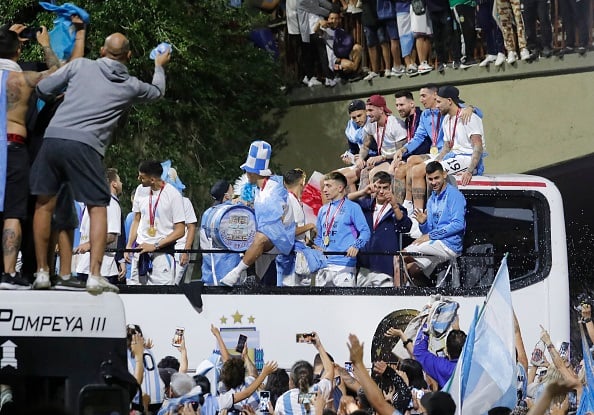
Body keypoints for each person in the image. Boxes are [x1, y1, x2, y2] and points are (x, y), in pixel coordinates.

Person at [30, 32, 170, 294]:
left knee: (44, 204)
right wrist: (158, 66)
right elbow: (158, 92)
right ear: (128, 56)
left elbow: (43, 89)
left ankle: (41, 272)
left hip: (54, 138)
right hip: (87, 146)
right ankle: (95, 275)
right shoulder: (131, 85)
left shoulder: (81, 65)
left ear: (102, 51)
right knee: (97, 207)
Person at [0, 25, 61, 290]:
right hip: (13, 147)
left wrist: (5, 32)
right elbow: (58, 73)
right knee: (13, 212)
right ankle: (9, 272)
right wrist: (46, 44)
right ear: (19, 50)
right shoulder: (22, 79)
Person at [220, 140, 296, 286]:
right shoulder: (259, 190)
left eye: (248, 170)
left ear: (255, 172)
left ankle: (235, 273)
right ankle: (247, 276)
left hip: (281, 236)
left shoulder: (274, 189)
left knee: (258, 237)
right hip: (268, 234)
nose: (246, 173)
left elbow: (273, 220)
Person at [401, 161, 466, 287]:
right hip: (437, 243)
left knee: (401, 256)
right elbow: (428, 231)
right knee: (412, 269)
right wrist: (423, 223)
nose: (433, 182)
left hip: (450, 244)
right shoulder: (431, 200)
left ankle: (400, 293)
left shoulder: (454, 195)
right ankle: (428, 292)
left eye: (437, 178)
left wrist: (431, 236)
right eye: (430, 179)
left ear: (444, 175)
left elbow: (458, 224)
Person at [125, 160, 186, 285]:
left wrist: (155, 245)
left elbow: (180, 230)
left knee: (161, 297)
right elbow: (137, 219)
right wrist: (129, 246)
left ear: (152, 180)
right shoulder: (140, 190)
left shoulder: (173, 195)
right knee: (135, 296)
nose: (138, 179)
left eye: (142, 177)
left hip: (162, 253)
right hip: (140, 251)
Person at [348, 171, 411, 287]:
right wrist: (362, 192)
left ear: (390, 187)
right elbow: (344, 201)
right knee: (362, 303)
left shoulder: (397, 209)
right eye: (378, 187)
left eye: (385, 188)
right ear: (372, 186)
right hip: (364, 267)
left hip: (385, 266)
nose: (381, 191)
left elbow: (406, 226)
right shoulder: (365, 205)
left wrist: (395, 206)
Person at [313, 171, 370, 287]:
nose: (324, 190)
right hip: (324, 266)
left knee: (345, 304)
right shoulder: (323, 210)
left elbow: (365, 232)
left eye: (328, 186)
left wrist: (356, 246)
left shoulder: (353, 207)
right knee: (321, 304)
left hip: (344, 266)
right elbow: (319, 236)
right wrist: (316, 249)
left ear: (340, 188)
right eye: (324, 186)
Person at [73, 168, 123, 287]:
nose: (122, 184)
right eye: (120, 180)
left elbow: (111, 235)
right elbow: (110, 236)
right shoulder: (108, 203)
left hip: (101, 268)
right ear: (114, 183)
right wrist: (88, 245)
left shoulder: (105, 203)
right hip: (98, 270)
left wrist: (88, 245)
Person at [434, 85, 485, 186]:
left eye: (439, 102)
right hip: (454, 157)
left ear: (449, 100)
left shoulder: (468, 117)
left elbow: (478, 146)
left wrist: (469, 171)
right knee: (419, 169)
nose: (436, 106)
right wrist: (436, 161)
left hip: (468, 159)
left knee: (432, 173)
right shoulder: (446, 119)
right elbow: (447, 146)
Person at [356, 95, 406, 188]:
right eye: (367, 111)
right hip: (383, 159)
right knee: (364, 172)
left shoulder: (396, 124)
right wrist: (360, 158)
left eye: (371, 110)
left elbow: (402, 152)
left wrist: (382, 157)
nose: (367, 114)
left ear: (381, 109)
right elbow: (365, 146)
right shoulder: (371, 124)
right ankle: (363, 202)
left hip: (396, 160)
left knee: (374, 174)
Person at [199, 180, 241, 285]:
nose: (235, 194)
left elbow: (203, 241)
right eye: (233, 191)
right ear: (226, 196)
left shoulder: (208, 212)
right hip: (228, 266)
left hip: (209, 266)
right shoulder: (231, 212)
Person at [413, 324, 467, 389]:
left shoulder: (443, 367)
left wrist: (426, 325)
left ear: (446, 350)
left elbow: (419, 351)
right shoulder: (474, 366)